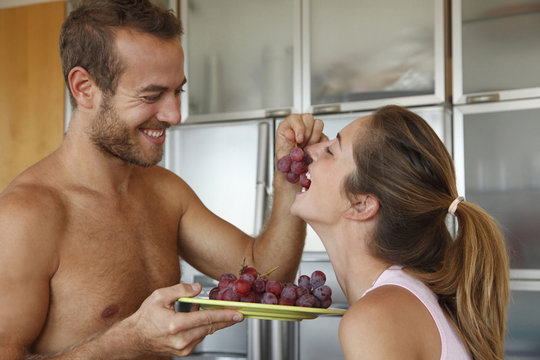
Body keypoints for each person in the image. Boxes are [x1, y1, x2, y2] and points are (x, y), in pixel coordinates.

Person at [0, 1, 325, 359]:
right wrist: (129, 340)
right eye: (152, 95)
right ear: (84, 88)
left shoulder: (166, 191)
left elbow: (269, 278)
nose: (174, 114)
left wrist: (289, 176)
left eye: (177, 91)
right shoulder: (25, 217)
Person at [290, 105, 510, 360]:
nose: (309, 150)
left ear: (362, 205)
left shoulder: (376, 318)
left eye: (330, 150)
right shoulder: (403, 302)